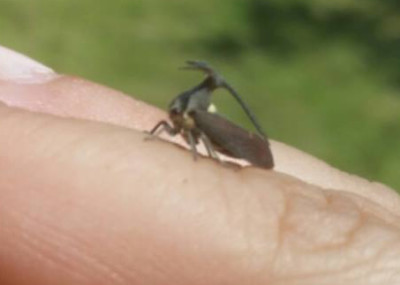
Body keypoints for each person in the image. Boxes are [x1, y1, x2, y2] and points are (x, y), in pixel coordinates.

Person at [0, 45, 399, 285]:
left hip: (231, 145)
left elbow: (199, 134)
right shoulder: (182, 116)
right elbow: (168, 124)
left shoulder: (198, 120)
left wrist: (202, 156)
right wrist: (162, 135)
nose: (173, 117)